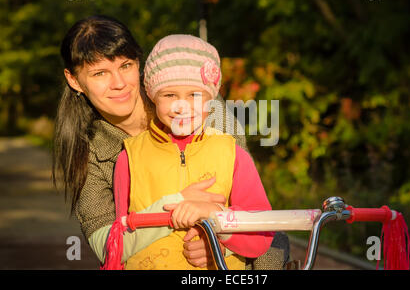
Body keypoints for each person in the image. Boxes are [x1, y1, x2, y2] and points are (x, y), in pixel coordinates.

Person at [53, 15, 288, 270]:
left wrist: (218, 244)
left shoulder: (199, 105)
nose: (119, 83)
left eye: (126, 66)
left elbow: (245, 198)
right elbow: (105, 244)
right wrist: (175, 205)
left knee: (272, 253)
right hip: (154, 261)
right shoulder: (91, 152)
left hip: (233, 253)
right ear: (74, 80)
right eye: (100, 73)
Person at [111, 34, 274, 270]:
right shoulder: (130, 157)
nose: (182, 106)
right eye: (169, 95)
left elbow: (262, 235)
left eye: (194, 95)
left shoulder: (233, 155)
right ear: (153, 97)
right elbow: (118, 242)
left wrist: (217, 220)